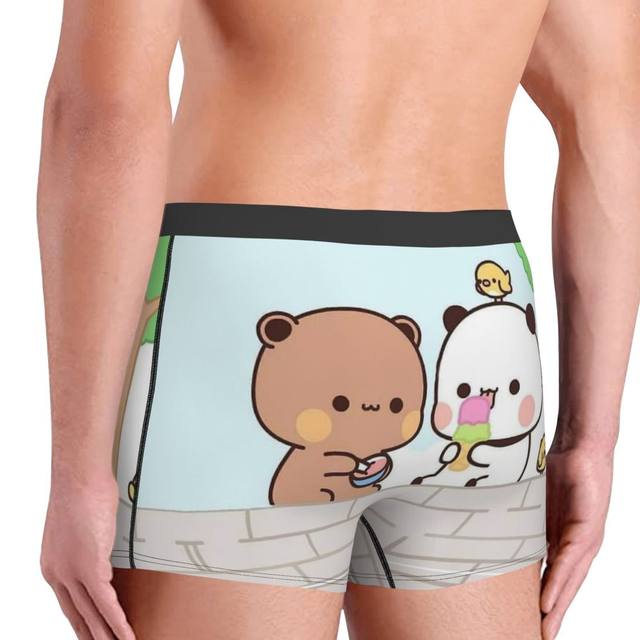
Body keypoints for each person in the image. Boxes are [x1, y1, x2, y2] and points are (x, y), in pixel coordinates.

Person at [37, 1, 639, 639]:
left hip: (249, 311)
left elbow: (104, 116)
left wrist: (79, 470)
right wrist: (590, 441)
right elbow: (612, 121)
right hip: (475, 326)